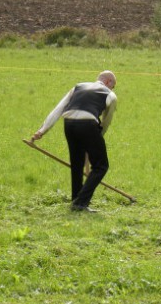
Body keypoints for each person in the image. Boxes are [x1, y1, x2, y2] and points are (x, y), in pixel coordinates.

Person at [32, 71, 117, 213]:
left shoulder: (78, 87)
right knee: (101, 166)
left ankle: (76, 200)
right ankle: (81, 202)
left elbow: (59, 108)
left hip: (69, 124)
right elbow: (105, 122)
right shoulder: (110, 95)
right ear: (108, 82)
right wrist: (97, 137)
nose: (112, 89)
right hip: (89, 125)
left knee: (76, 165)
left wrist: (42, 130)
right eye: (113, 86)